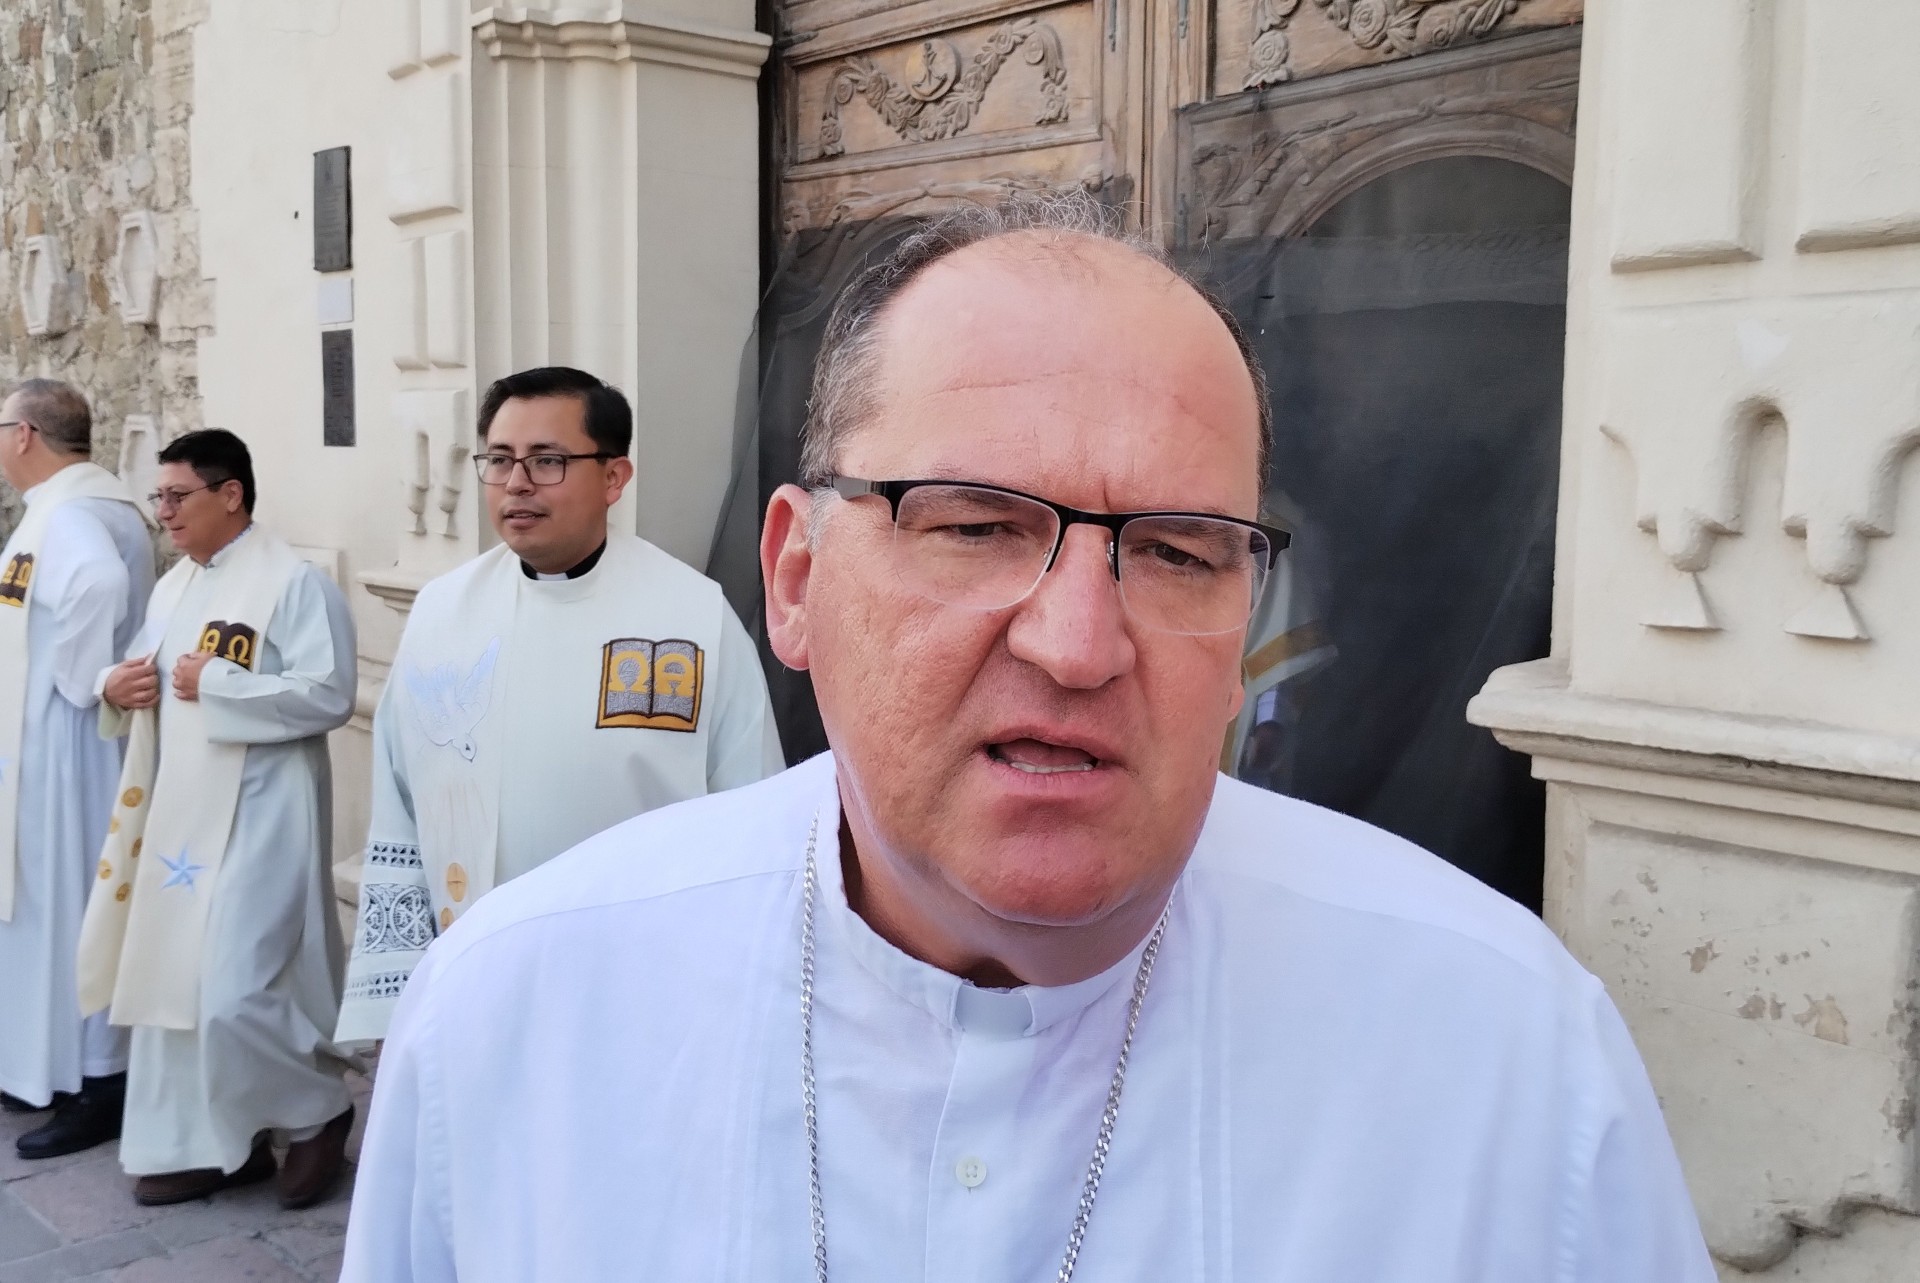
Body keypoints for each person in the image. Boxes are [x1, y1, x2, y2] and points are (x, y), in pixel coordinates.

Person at [341, 194, 1716, 1280]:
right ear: (798, 578)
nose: (1076, 642)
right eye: (975, 524)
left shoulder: (1508, 1057)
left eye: (1178, 549)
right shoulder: (514, 1024)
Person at [335, 366, 781, 1042]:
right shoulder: (442, 613)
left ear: (614, 477)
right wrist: (396, 993)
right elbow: (399, 804)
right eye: (499, 460)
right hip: (473, 981)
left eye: (547, 461)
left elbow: (754, 816)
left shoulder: (691, 618)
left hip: (642, 994)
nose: (516, 482)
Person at [80, 429, 359, 1209]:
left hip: (266, 812)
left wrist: (223, 684)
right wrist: (115, 685)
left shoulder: (295, 584)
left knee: (237, 988)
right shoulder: (175, 587)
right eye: (159, 497)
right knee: (173, 976)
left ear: (230, 493)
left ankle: (316, 1111)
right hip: (181, 817)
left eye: (178, 496)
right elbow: (149, 675)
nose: (164, 512)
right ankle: (214, 1144)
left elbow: (331, 693)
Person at [0, 380, 153, 1159]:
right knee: (48, 906)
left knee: (72, 903)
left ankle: (100, 1080)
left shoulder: (71, 516)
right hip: (57, 740)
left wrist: (82, 676)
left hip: (69, 744)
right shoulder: (77, 504)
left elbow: (97, 583)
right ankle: (47, 1062)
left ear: (24, 434)